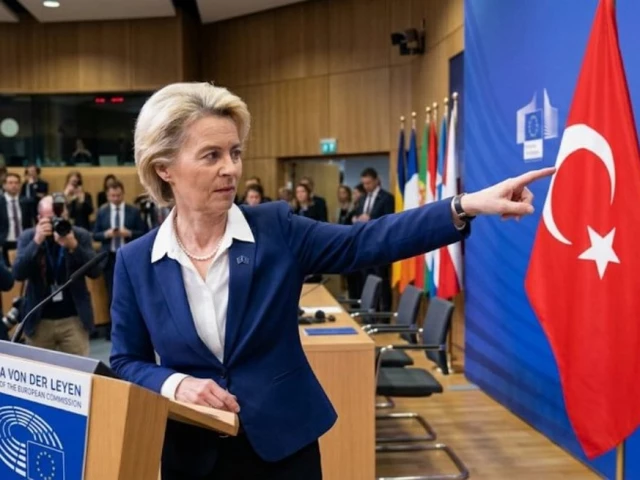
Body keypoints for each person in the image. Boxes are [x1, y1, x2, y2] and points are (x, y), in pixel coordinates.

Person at [109, 81, 553, 480]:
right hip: (193, 454)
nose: (231, 168)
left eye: (235, 152)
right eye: (212, 155)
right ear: (164, 168)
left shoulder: (276, 229)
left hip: (284, 446)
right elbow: (126, 360)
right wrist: (175, 383)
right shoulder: (135, 262)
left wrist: (463, 205)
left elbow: (368, 241)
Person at [12, 195, 103, 355]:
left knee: (78, 368)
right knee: (38, 369)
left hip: (74, 319)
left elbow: (95, 271)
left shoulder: (79, 235)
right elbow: (18, 273)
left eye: (59, 217)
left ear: (66, 214)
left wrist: (74, 246)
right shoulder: (29, 236)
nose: (56, 223)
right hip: (39, 320)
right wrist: (37, 241)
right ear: (39, 218)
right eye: (50, 219)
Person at [93, 180, 145, 306]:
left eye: (118, 195)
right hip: (109, 258)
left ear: (123, 194)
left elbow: (144, 233)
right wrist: (106, 234)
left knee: (131, 292)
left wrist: (129, 233)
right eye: (113, 196)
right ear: (107, 196)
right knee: (112, 293)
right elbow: (95, 235)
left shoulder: (133, 211)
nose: (116, 198)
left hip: (128, 257)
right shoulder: (102, 212)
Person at [352, 167, 396, 310]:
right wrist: (357, 219)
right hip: (365, 246)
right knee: (367, 281)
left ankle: (385, 315)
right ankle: (371, 312)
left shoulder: (387, 198)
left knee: (382, 282)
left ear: (376, 180)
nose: (366, 186)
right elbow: (358, 214)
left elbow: (389, 221)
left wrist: (370, 219)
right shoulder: (362, 198)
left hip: (380, 246)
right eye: (364, 183)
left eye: (369, 183)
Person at [0, 173, 33, 265]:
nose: (14, 185)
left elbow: (30, 223)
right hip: (4, 242)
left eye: (16, 183)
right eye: (10, 183)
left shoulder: (27, 202)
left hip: (23, 241)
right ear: (4, 185)